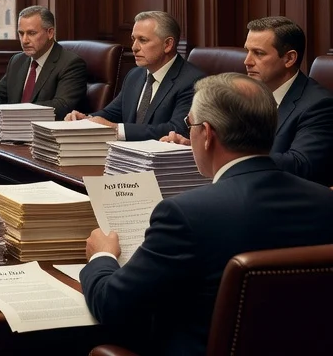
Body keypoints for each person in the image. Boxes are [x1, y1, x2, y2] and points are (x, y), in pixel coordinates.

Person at [81, 73, 333, 355]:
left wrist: (101, 256)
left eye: (190, 124)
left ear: (208, 134)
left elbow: (113, 305)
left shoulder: (185, 214)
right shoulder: (326, 202)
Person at [164, 16, 333, 185]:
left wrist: (226, 157)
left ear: (289, 59)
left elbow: (300, 164)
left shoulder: (319, 106)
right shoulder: (244, 95)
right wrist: (198, 146)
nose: (247, 61)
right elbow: (231, 144)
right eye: (247, 51)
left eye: (258, 53)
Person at [66, 10, 203, 140]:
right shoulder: (135, 75)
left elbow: (177, 129)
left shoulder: (191, 81)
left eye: (143, 40)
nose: (134, 47)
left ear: (167, 44)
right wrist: (86, 119)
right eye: (133, 39)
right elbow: (113, 113)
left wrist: (116, 129)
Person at [0, 5, 87, 119]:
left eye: (31, 33)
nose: (24, 40)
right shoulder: (17, 60)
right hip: (13, 129)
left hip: (45, 132)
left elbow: (61, 106)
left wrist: (14, 112)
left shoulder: (70, 64)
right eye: (21, 33)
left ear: (50, 33)